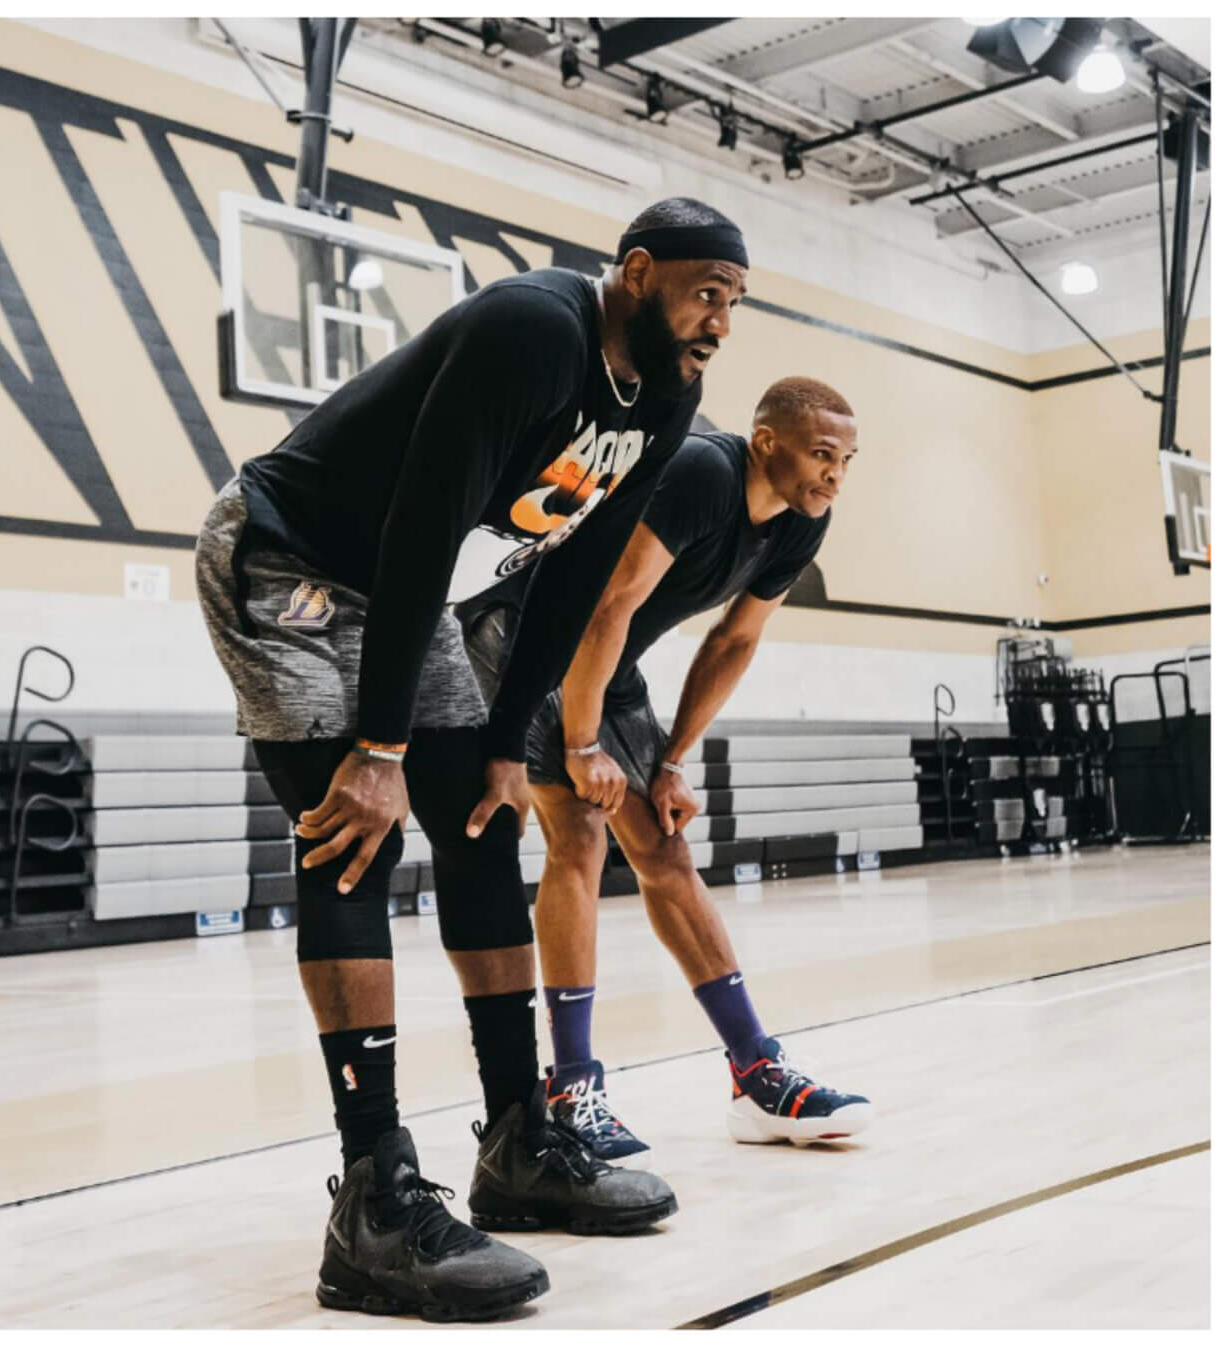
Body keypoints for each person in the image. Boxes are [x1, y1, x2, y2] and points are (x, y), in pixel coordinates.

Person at [197, 198, 748, 1320]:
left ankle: (519, 1145)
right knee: (350, 838)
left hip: (409, 592)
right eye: (705, 293)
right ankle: (374, 1203)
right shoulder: (529, 329)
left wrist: (506, 746)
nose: (719, 322)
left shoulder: (669, 401)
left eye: (735, 303)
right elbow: (422, 523)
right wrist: (381, 745)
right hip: (287, 558)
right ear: (637, 273)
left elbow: (572, 571)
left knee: (487, 823)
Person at [459, 377, 872, 1168]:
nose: (834, 476)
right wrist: (581, 745)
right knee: (579, 833)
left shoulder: (799, 524)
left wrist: (673, 759)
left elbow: (733, 642)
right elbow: (611, 603)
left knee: (664, 849)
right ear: (766, 443)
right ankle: (572, 1086)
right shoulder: (700, 475)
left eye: (846, 461)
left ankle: (755, 1073)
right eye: (822, 455)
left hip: (605, 663)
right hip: (521, 639)